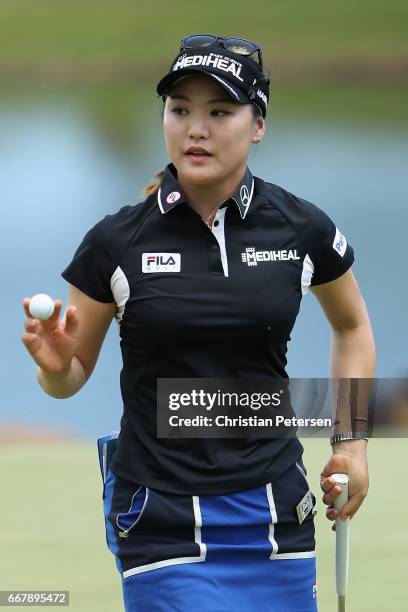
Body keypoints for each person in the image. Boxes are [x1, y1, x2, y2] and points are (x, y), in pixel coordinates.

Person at [21, 33, 375, 612]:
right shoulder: (115, 242)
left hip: (275, 509)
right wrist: (57, 366)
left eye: (220, 111)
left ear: (257, 124)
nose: (196, 128)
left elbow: (353, 327)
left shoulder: (300, 229)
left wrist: (351, 445)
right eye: (179, 110)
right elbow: (67, 377)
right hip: (159, 514)